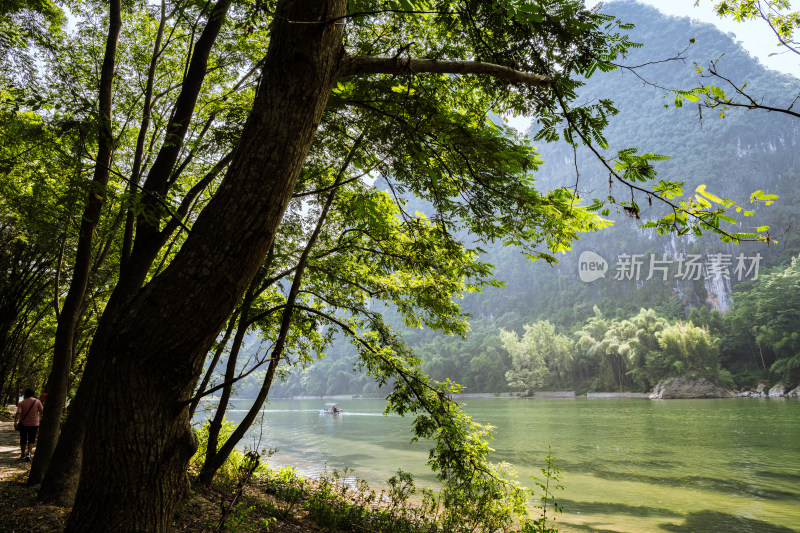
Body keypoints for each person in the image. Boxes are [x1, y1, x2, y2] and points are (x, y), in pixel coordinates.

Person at [14, 388, 44, 461]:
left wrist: (15, 422)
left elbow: (18, 413)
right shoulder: (38, 402)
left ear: (25, 395)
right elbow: (42, 411)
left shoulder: (22, 403)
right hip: (34, 423)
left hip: (23, 424)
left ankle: (23, 454)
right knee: (32, 439)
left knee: (23, 439)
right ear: (33, 394)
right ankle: (29, 453)